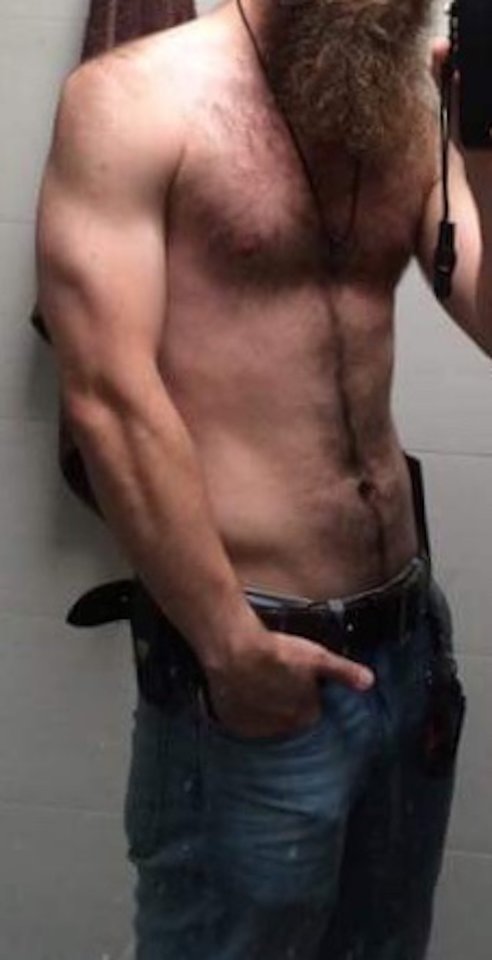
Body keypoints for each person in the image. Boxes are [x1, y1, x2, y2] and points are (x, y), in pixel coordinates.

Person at [35, 0, 480, 955]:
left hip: (407, 649)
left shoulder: (405, 113)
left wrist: (484, 135)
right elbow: (109, 397)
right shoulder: (134, 101)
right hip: (254, 666)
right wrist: (230, 649)